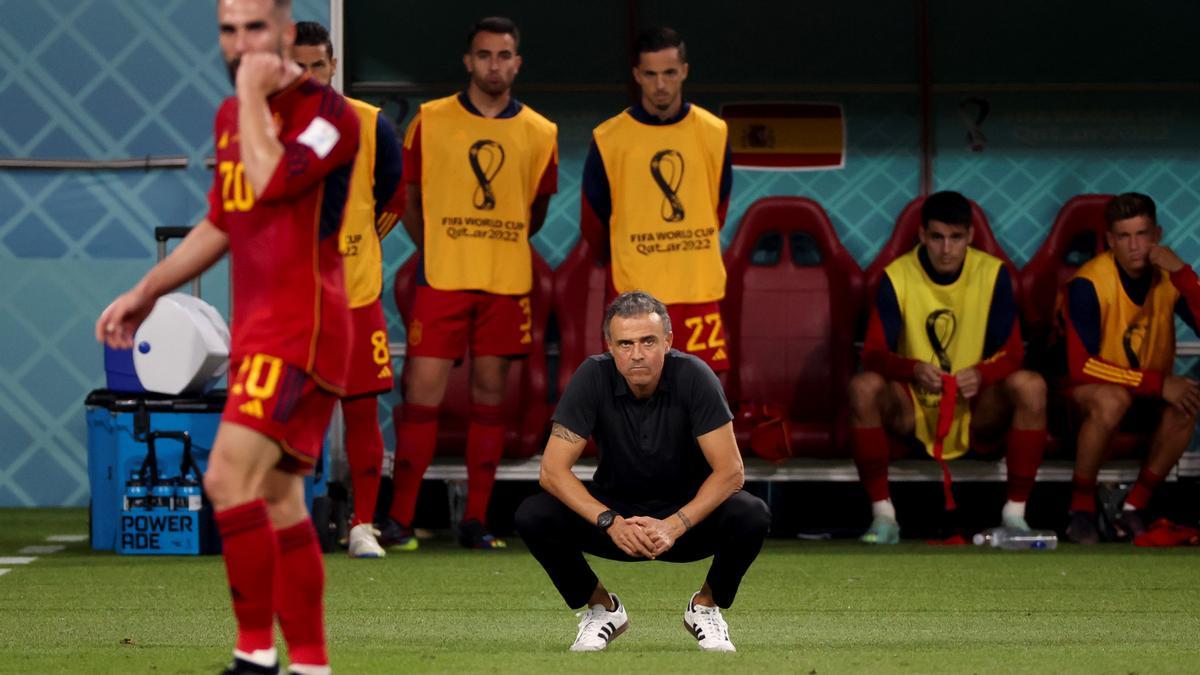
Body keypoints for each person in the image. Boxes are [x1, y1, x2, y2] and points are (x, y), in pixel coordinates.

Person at [96, 1, 359, 672]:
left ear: (283, 30)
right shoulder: (229, 119)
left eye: (254, 29)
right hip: (260, 332)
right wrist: (145, 290)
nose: (240, 44)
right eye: (228, 30)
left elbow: (272, 181)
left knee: (223, 476)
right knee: (277, 496)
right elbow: (224, 221)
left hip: (305, 329)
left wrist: (249, 92)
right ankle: (308, 661)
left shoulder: (331, 117)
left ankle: (252, 656)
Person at [380, 16, 558, 550]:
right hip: (443, 281)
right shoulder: (429, 120)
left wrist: (498, 242)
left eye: (504, 56)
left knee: (490, 401)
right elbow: (407, 196)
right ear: (468, 61)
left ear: (517, 62)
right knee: (420, 396)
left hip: (505, 282)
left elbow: (538, 208)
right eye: (484, 55)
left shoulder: (540, 131)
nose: (494, 65)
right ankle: (400, 520)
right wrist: (435, 248)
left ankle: (476, 521)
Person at [515, 291, 770, 653]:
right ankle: (603, 609)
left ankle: (706, 607)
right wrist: (610, 522)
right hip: (617, 518)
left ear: (668, 341)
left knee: (751, 514)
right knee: (534, 514)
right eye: (626, 343)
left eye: (648, 341)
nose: (637, 353)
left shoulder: (695, 376)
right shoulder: (592, 376)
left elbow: (731, 472)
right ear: (610, 346)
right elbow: (552, 472)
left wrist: (675, 525)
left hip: (686, 519)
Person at [848, 191, 1048, 544]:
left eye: (956, 238)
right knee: (863, 387)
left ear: (970, 236)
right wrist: (912, 369)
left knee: (1032, 385)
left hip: (974, 407)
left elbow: (1013, 353)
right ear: (922, 235)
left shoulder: (993, 273)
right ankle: (883, 516)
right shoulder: (897, 275)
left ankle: (1015, 516)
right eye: (937, 237)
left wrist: (983, 374)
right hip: (914, 406)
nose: (946, 249)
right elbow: (875, 354)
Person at [293, 20, 405, 559]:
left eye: (318, 65)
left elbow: (393, 201)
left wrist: (352, 249)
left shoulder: (372, 125)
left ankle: (364, 526)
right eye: (299, 66)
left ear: (333, 66)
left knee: (361, 412)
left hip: (356, 298)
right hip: (292, 302)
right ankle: (289, 523)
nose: (309, 76)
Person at [580, 27, 734, 375]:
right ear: (637, 75)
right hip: (634, 295)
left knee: (707, 397)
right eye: (650, 74)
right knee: (629, 394)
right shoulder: (609, 138)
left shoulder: (714, 132)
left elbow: (718, 210)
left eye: (668, 73)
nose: (660, 84)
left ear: (684, 71)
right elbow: (593, 223)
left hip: (697, 289)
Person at [1060, 192, 1200, 544]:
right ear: (1110, 240)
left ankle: (1135, 506)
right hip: (1092, 400)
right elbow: (1082, 367)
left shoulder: (1171, 278)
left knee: (1188, 400)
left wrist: (1184, 274)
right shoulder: (1088, 283)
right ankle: (1081, 508)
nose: (1135, 245)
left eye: (1143, 234)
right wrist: (1156, 383)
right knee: (1112, 399)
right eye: (1124, 236)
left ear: (1158, 235)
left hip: (1145, 397)